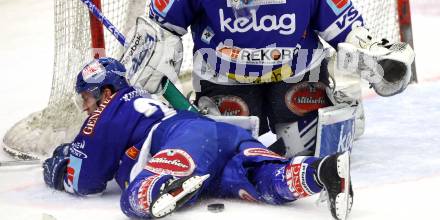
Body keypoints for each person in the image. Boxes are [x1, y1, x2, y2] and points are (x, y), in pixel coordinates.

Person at [124, 0, 415, 157]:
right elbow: (159, 24)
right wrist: (149, 56)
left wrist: (373, 55)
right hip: (225, 74)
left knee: (306, 148)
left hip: (297, 70)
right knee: (225, 147)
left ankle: (341, 105)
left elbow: (344, 25)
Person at [43, 57, 353, 220]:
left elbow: (85, 182)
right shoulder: (139, 100)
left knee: (133, 202)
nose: (85, 106)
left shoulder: (107, 111)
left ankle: (167, 183)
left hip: (182, 138)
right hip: (219, 135)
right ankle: (321, 171)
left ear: (106, 92)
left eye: (87, 96)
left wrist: (57, 169)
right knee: (264, 180)